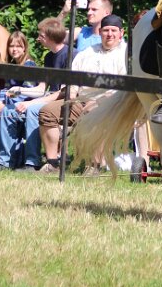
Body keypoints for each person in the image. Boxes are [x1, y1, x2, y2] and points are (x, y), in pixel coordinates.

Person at [38, 14, 128, 173]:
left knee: (94, 112)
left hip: (111, 104)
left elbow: (123, 88)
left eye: (113, 30)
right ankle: (53, 162)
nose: (109, 34)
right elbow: (73, 77)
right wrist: (72, 91)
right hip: (81, 100)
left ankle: (94, 165)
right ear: (100, 32)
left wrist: (100, 100)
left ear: (121, 33)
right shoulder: (87, 53)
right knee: (47, 112)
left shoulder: (126, 55)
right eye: (106, 30)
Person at [0, 18, 69, 170]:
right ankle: (6, 161)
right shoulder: (49, 57)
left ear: (50, 37)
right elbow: (41, 89)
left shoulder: (69, 55)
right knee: (8, 111)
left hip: (63, 101)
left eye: (41, 35)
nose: (38, 38)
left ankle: (32, 161)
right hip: (48, 98)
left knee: (32, 110)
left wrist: (29, 103)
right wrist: (20, 90)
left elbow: (64, 92)